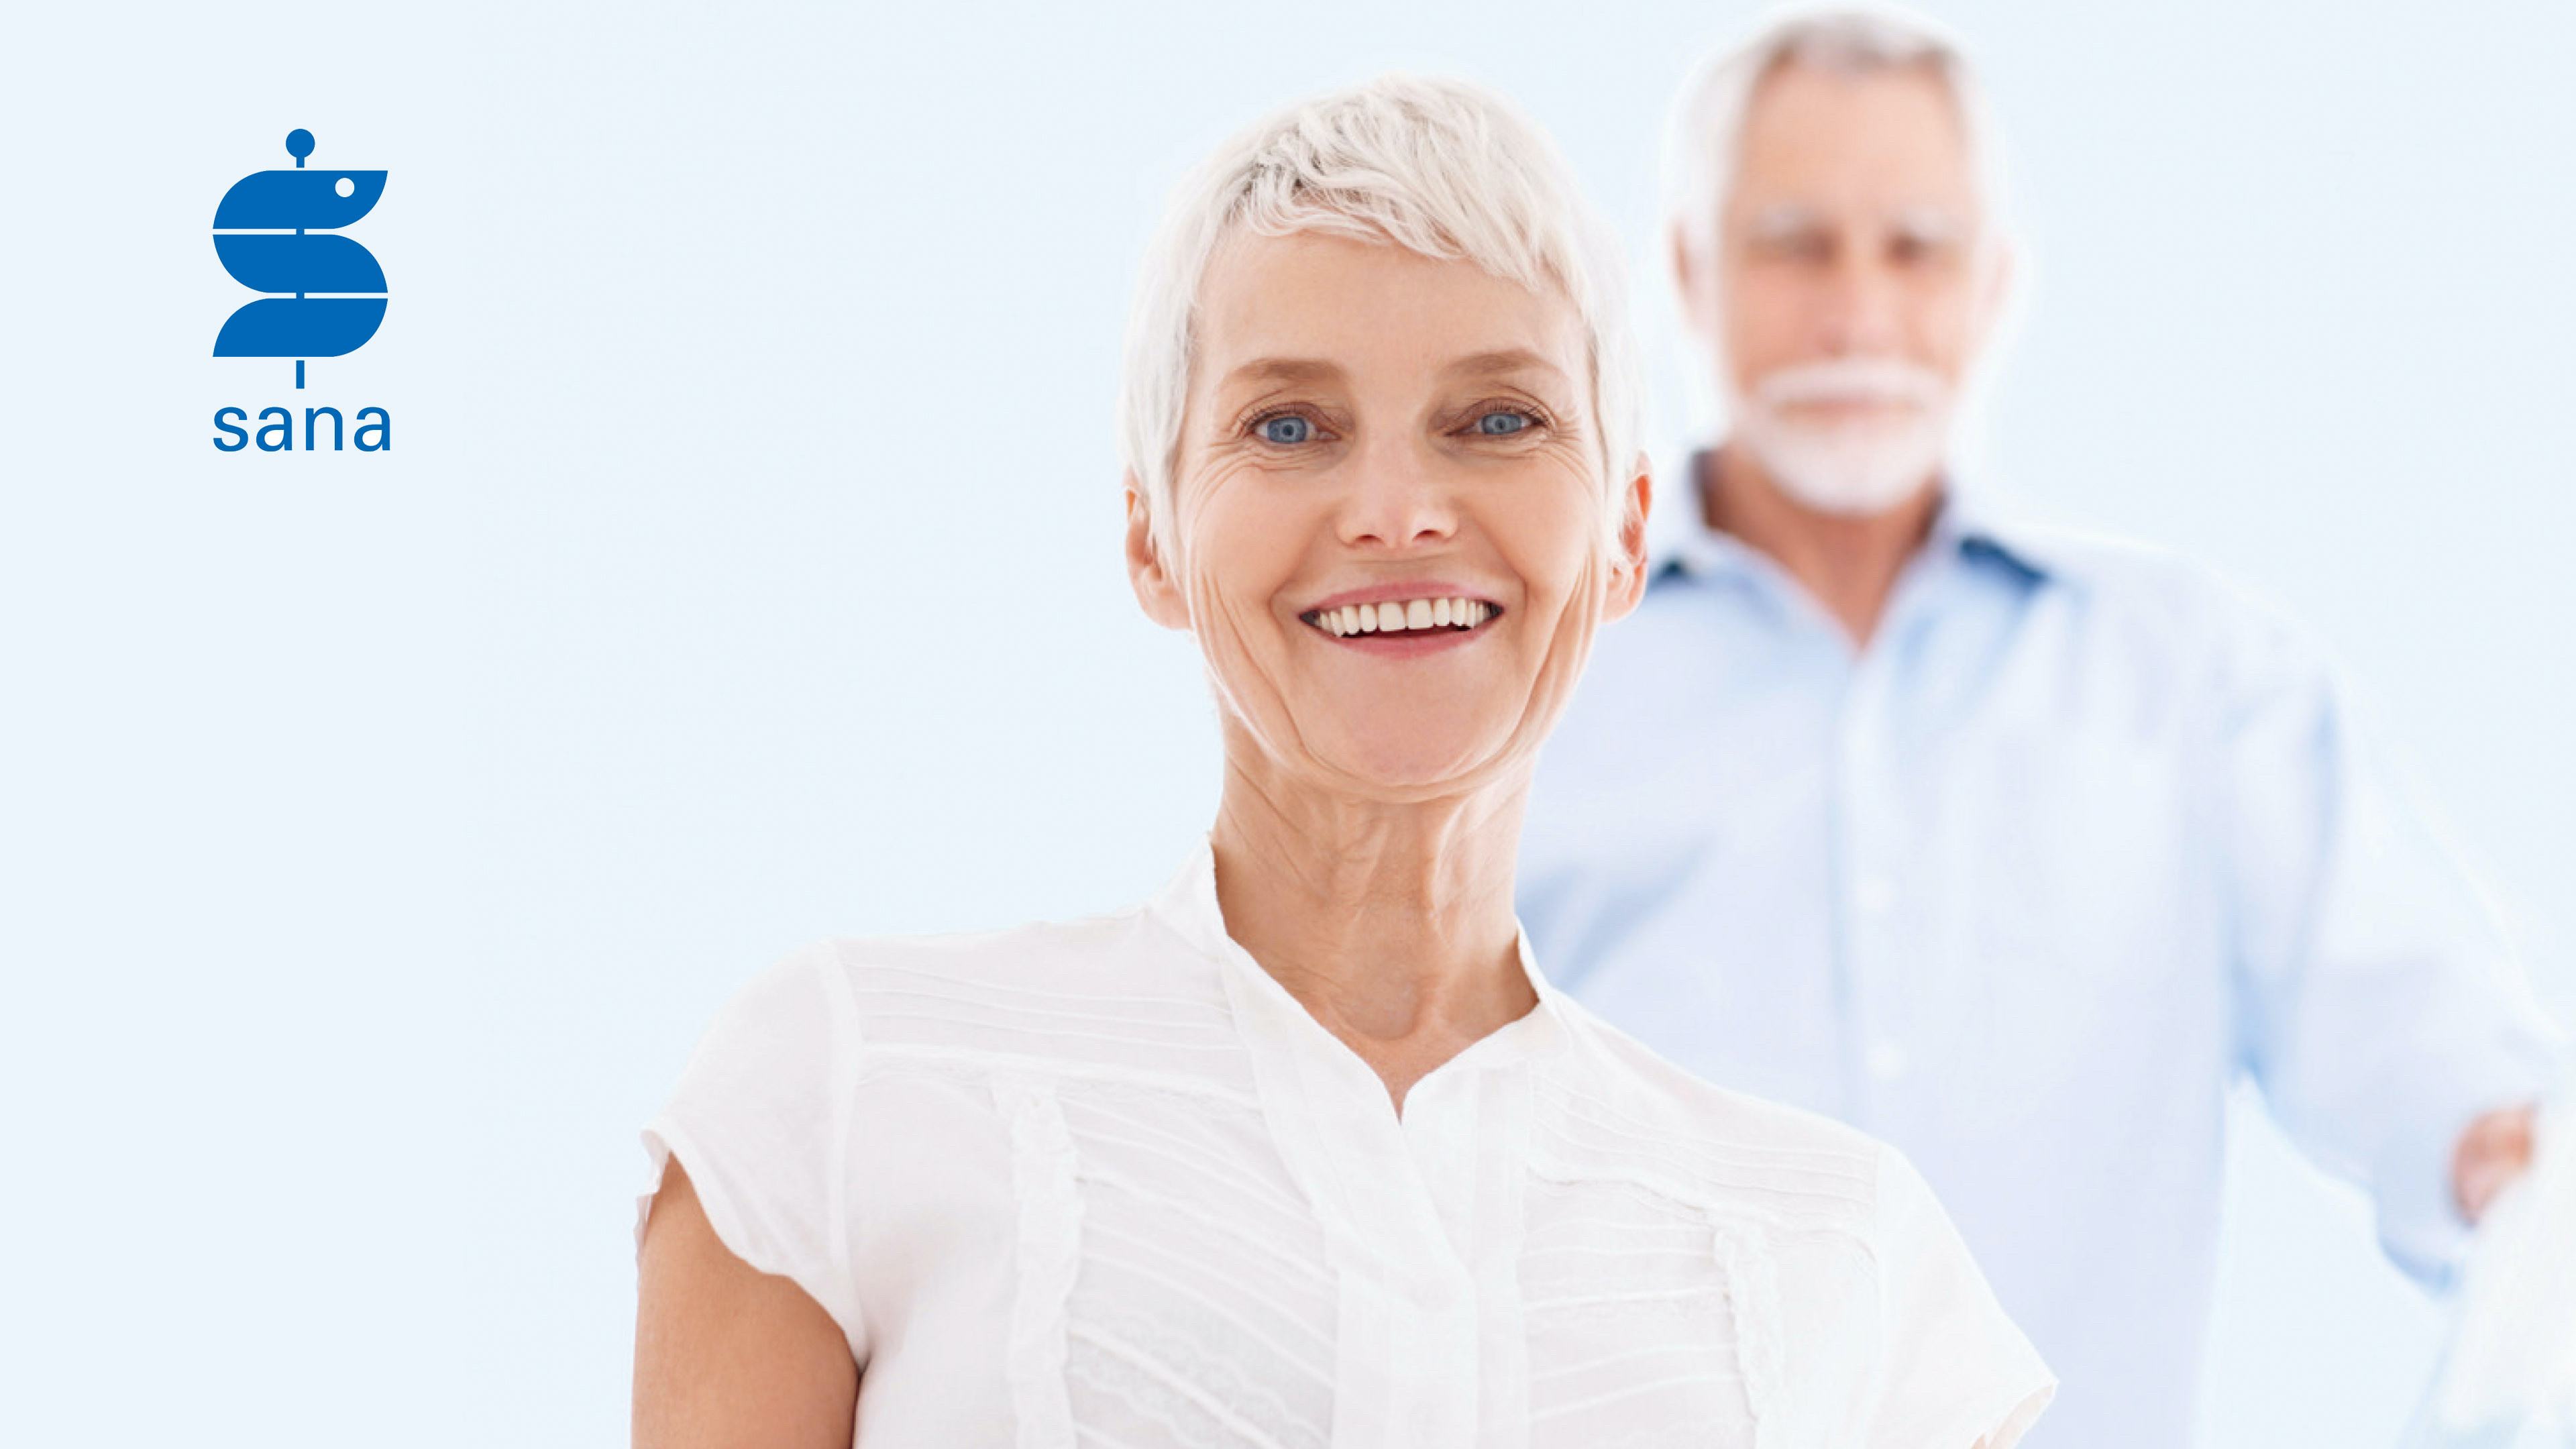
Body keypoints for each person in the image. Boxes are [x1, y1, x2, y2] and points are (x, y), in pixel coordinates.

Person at [633, 72, 2055, 1449]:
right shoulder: (850, 1087)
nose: (1396, 512)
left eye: (1496, 421)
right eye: (1289, 428)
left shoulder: (1848, 1265)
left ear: (1625, 534)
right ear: (1152, 539)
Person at [1515, 9, 2567, 1449]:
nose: (1857, 313)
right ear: (1688, 273)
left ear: (1999, 283)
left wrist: (2512, 1165)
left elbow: (2432, 1061)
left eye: (1917, 249)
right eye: (1795, 245)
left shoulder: (2194, 681)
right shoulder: (1528, 675)